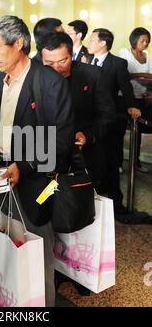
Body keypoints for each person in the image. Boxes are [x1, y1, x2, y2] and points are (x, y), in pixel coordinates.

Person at [0, 15, 74, 307]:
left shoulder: (48, 82)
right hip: (0, 173)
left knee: (37, 246)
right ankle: (10, 296)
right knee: (7, 238)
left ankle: (40, 304)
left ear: (18, 43)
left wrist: (22, 166)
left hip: (33, 178)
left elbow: (60, 141)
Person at [87, 29, 152, 224]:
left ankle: (117, 204)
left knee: (112, 160)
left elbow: (125, 87)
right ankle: (93, 200)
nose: (89, 42)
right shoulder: (85, 61)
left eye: (92, 39)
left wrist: (132, 105)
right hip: (89, 122)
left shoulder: (117, 63)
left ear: (103, 43)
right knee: (92, 161)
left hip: (111, 119)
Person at [39, 32, 115, 187]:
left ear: (71, 54)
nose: (56, 68)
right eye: (49, 63)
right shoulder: (35, 78)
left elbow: (107, 115)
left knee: (81, 204)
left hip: (83, 157)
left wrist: (87, 135)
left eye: (62, 61)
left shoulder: (92, 75)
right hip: (45, 155)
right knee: (45, 201)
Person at [119, 27, 152, 173]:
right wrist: (142, 75)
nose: (145, 43)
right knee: (119, 131)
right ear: (134, 40)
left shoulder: (148, 56)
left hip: (143, 98)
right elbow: (124, 74)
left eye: (147, 41)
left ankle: (136, 161)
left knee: (138, 131)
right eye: (142, 40)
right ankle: (118, 162)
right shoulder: (125, 52)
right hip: (125, 98)